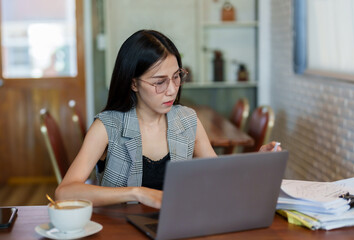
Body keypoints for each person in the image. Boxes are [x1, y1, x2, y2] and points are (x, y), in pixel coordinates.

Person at [55, 29, 280, 209]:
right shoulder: (107, 126)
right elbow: (65, 192)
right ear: (133, 83)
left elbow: (219, 176)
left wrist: (254, 164)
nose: (171, 90)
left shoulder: (188, 120)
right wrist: (138, 193)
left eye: (176, 77)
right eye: (159, 82)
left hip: (178, 227)